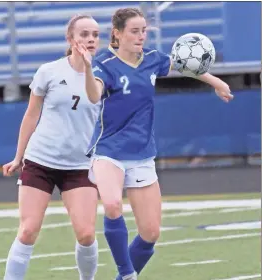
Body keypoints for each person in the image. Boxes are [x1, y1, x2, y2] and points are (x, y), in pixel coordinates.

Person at [76, 7, 233, 280]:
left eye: (144, 31)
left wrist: (216, 81)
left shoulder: (151, 59)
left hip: (142, 153)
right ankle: (127, 273)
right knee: (112, 204)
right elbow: (93, 95)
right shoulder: (103, 62)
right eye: (135, 31)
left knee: (150, 233)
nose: (141, 36)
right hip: (109, 149)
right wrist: (88, 70)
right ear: (118, 34)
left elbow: (185, 66)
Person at [2, 14, 101, 280]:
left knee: (87, 233)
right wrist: (18, 156)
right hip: (40, 161)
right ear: (70, 39)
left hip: (79, 166)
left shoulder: (105, 75)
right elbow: (31, 114)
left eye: (95, 34)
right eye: (84, 34)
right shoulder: (50, 71)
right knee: (28, 230)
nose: (90, 39)